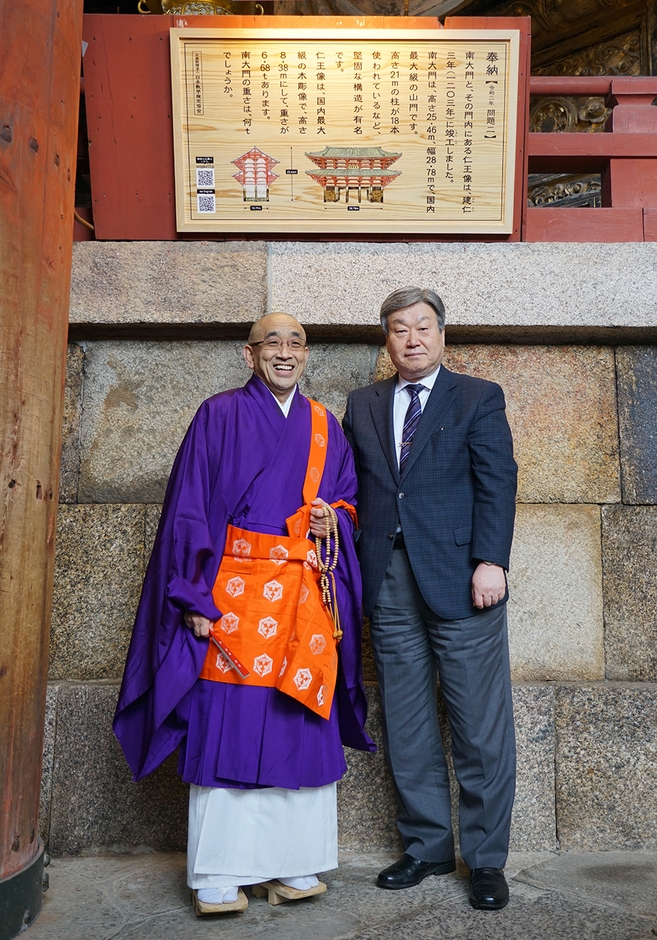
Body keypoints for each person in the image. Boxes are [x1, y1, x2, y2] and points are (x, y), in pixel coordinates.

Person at [114, 313, 374, 916]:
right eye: (272, 342)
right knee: (227, 721)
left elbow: (348, 497)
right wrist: (193, 597)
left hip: (303, 598)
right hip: (231, 593)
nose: (285, 352)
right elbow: (190, 508)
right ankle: (219, 874)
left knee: (300, 722)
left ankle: (293, 864)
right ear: (248, 353)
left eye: (296, 343)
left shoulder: (324, 426)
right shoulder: (219, 414)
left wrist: (333, 517)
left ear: (308, 355)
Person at [342, 287, 517, 911]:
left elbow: (497, 479)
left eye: (422, 327)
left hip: (463, 580)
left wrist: (491, 560)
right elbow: (351, 486)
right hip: (387, 580)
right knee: (407, 721)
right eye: (398, 329)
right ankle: (426, 846)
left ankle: (487, 858)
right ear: (386, 340)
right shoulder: (362, 404)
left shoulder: (476, 396)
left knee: (479, 725)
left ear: (443, 335)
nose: (411, 339)